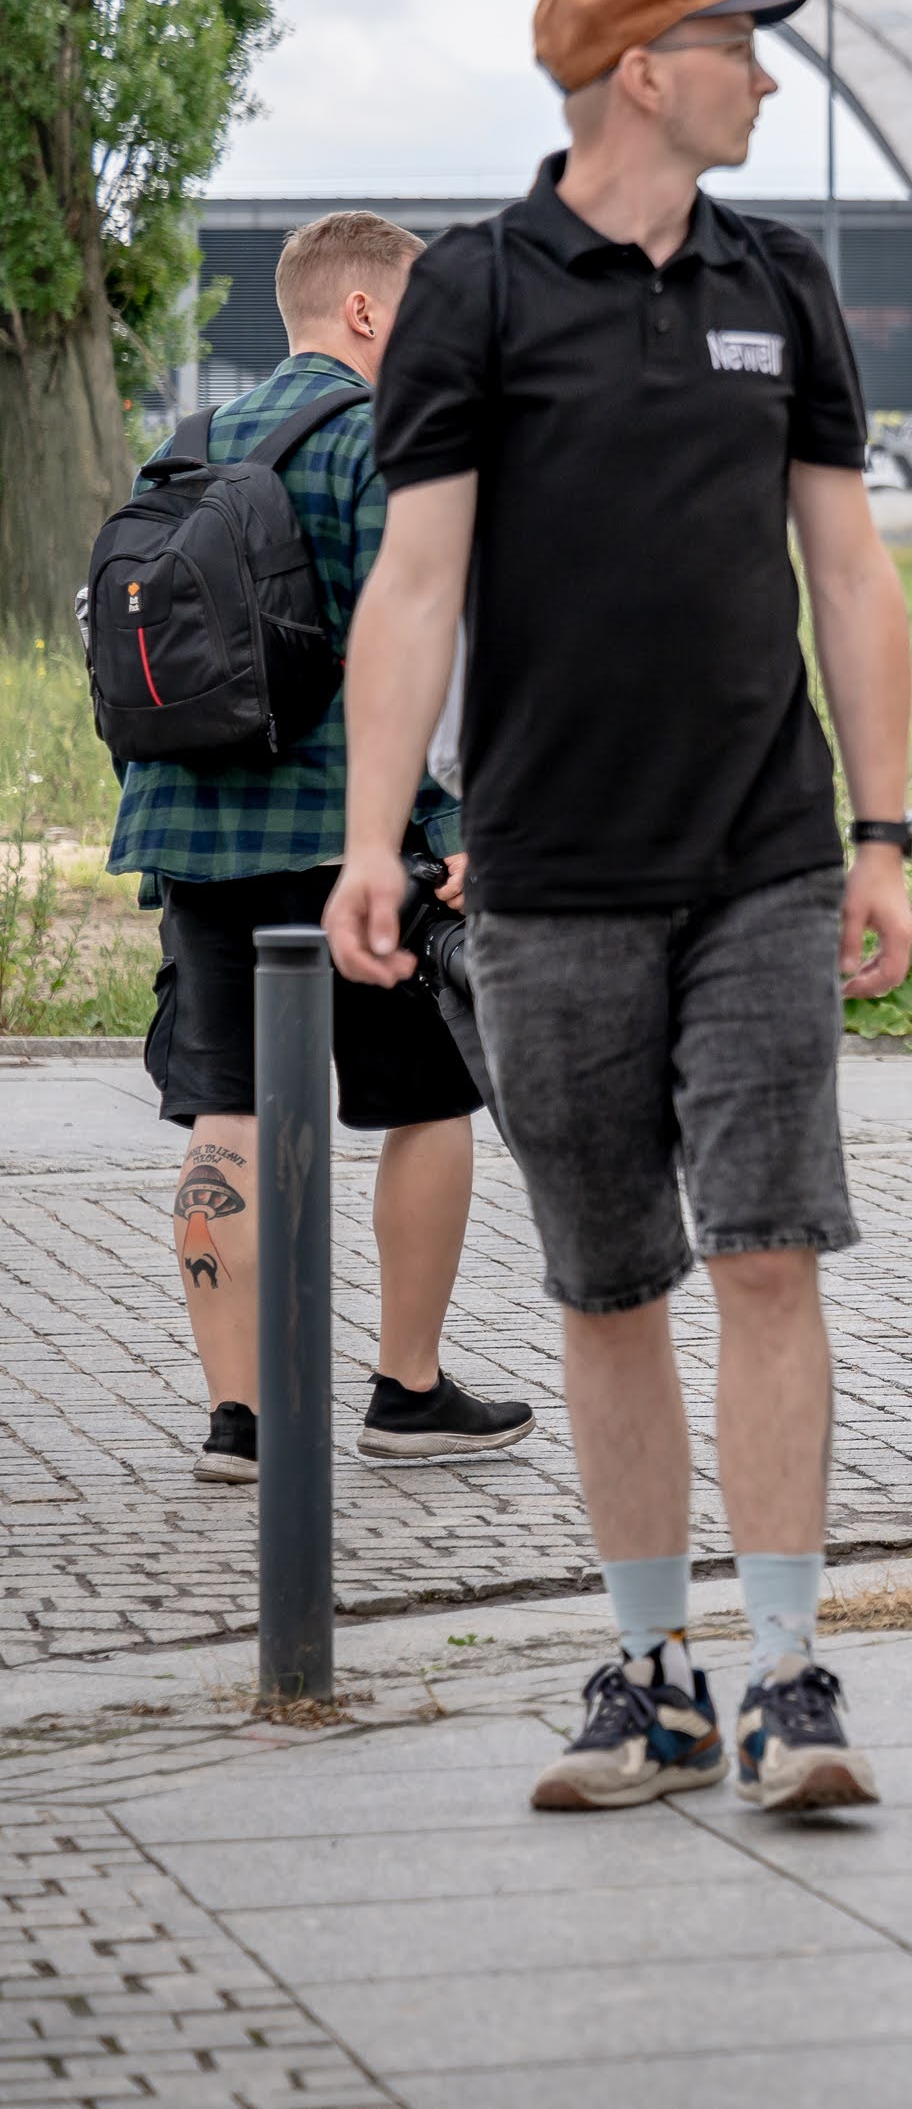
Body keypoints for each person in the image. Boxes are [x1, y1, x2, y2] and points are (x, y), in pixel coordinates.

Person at [327, 0, 912, 1816]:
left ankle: (789, 1676)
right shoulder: (479, 291)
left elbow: (850, 565)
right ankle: (649, 1674)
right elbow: (416, 583)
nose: (769, 73)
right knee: (604, 1286)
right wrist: (369, 842)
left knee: (765, 1249)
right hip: (549, 868)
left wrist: (885, 833)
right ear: (646, 68)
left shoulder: (783, 281)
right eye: (743, 43)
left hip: (762, 851)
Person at [107, 212, 533, 1487]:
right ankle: (405, 1391)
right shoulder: (389, 445)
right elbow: (437, 657)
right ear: (364, 315)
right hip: (361, 841)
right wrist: (463, 830)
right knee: (429, 1103)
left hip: (194, 833)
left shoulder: (175, 453)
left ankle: (240, 1418)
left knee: (220, 1112)